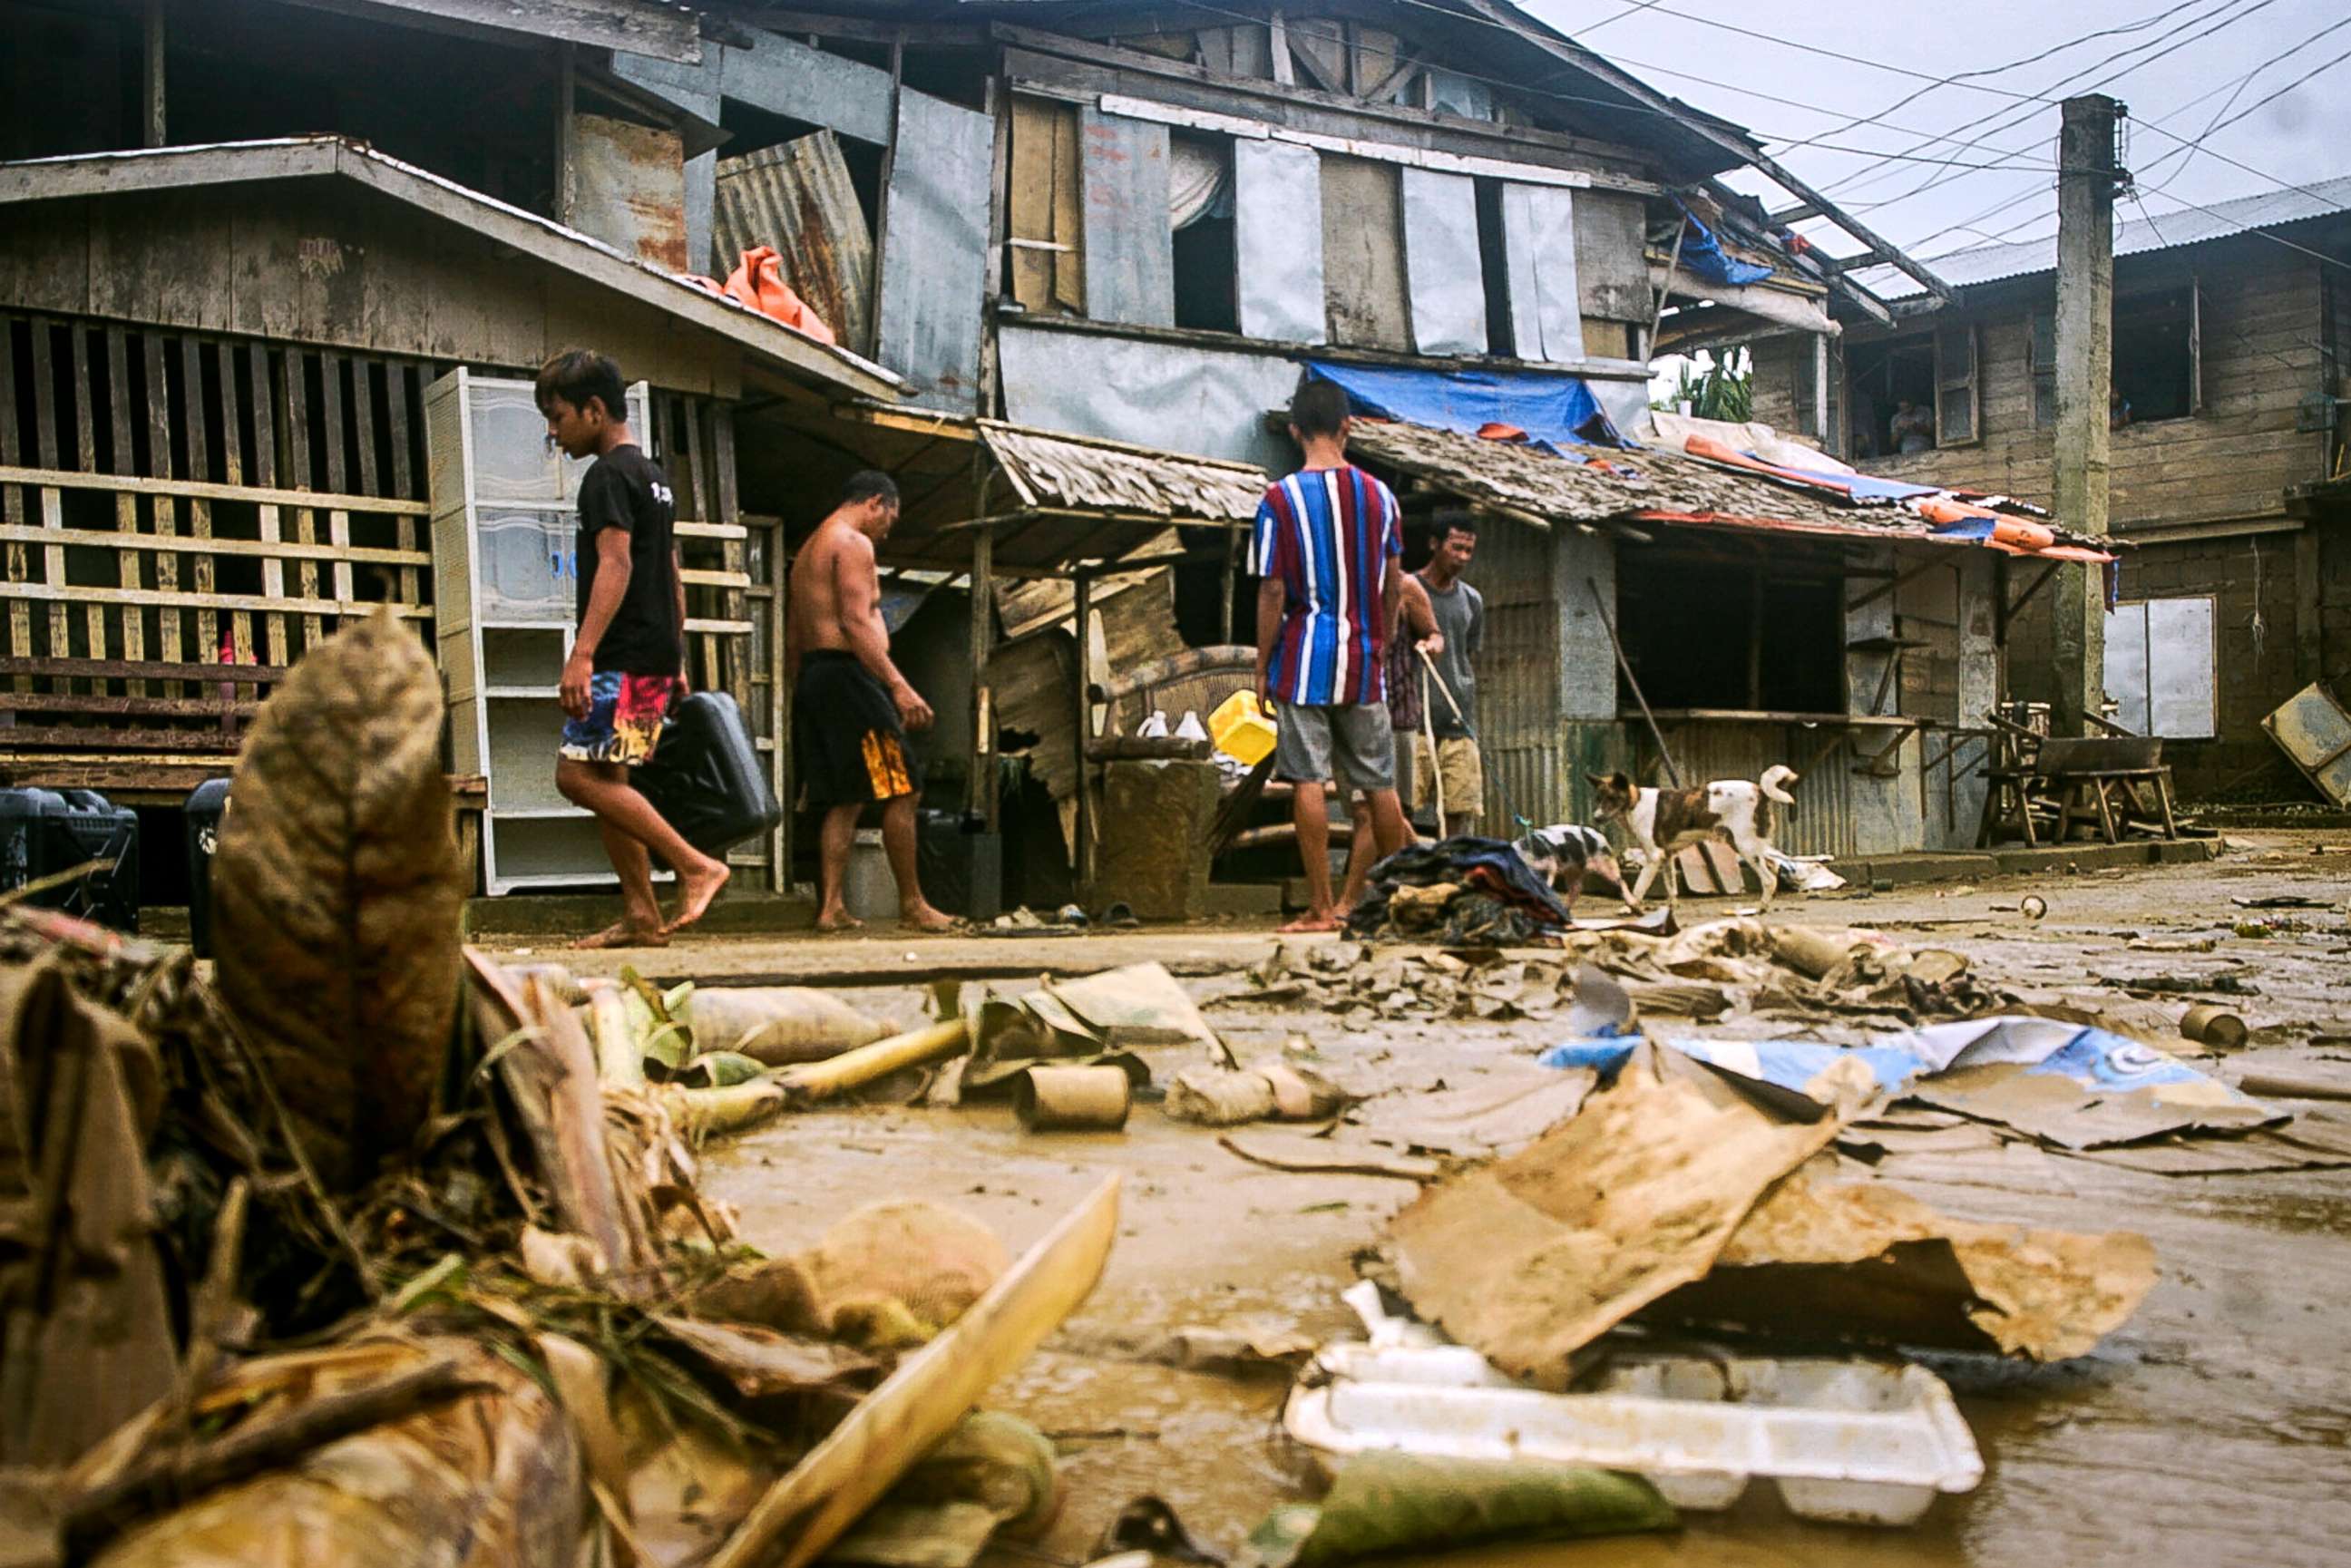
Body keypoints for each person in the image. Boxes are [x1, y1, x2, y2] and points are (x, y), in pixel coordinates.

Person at [540, 349, 731, 949]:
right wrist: (676, 660)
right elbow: (671, 575)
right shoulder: (653, 476)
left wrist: (582, 653)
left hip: (620, 653)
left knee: (575, 776)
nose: (554, 431)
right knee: (608, 775)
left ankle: (695, 865)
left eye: (559, 415)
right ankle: (642, 914)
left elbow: (616, 564)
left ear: (595, 411)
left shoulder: (607, 477)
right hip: (652, 652)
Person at [1251, 380, 1410, 933]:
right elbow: (1394, 583)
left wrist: (1261, 663)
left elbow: (1272, 590)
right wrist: (1383, 640)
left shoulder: (1278, 500)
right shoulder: (1381, 497)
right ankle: (1396, 902)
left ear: (1295, 431)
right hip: (1364, 659)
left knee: (1308, 779)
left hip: (1302, 661)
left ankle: (1321, 909)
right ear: (1348, 426)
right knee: (1379, 784)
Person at [788, 471, 955, 933]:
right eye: (890, 519)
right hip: (846, 677)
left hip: (818, 678)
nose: (887, 529)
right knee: (904, 786)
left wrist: (798, 686)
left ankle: (831, 908)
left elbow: (795, 634)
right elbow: (856, 623)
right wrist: (898, 685)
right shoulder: (853, 544)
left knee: (846, 797)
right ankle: (913, 904)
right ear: (876, 503)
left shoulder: (807, 551)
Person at [1337, 569, 1439, 917]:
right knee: (1372, 811)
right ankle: (1434, 872)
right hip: (1351, 710)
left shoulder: (1405, 586)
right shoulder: (1341, 582)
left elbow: (1434, 634)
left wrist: (1429, 645)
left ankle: (1349, 900)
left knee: (1372, 808)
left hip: (1396, 712)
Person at [1413, 511, 1485, 839]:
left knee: (1460, 808)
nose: (1462, 558)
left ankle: (1453, 879)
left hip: (1459, 721)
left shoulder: (1472, 600)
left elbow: (1468, 655)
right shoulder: (1409, 591)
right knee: (1403, 804)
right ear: (1434, 544)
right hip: (1414, 719)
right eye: (1455, 548)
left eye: (1468, 551)